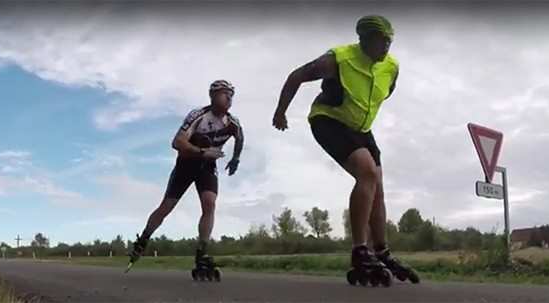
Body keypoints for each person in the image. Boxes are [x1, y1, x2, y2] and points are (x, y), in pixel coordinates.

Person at [271, 15, 418, 284]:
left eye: (389, 41)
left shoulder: (392, 67)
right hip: (328, 119)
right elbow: (296, 76)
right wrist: (281, 112)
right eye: (379, 41)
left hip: (361, 128)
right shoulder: (337, 59)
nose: (385, 47)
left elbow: (385, 92)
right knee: (366, 172)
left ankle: (381, 250)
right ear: (363, 40)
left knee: (378, 186)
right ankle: (360, 249)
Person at [127, 80, 244, 275]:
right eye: (225, 93)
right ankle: (144, 239)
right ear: (213, 96)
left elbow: (240, 139)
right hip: (186, 164)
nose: (229, 97)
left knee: (210, 203)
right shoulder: (198, 115)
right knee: (167, 207)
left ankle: (201, 252)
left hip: (207, 166)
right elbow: (177, 142)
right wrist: (202, 152)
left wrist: (236, 159)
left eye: (232, 94)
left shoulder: (233, 123)